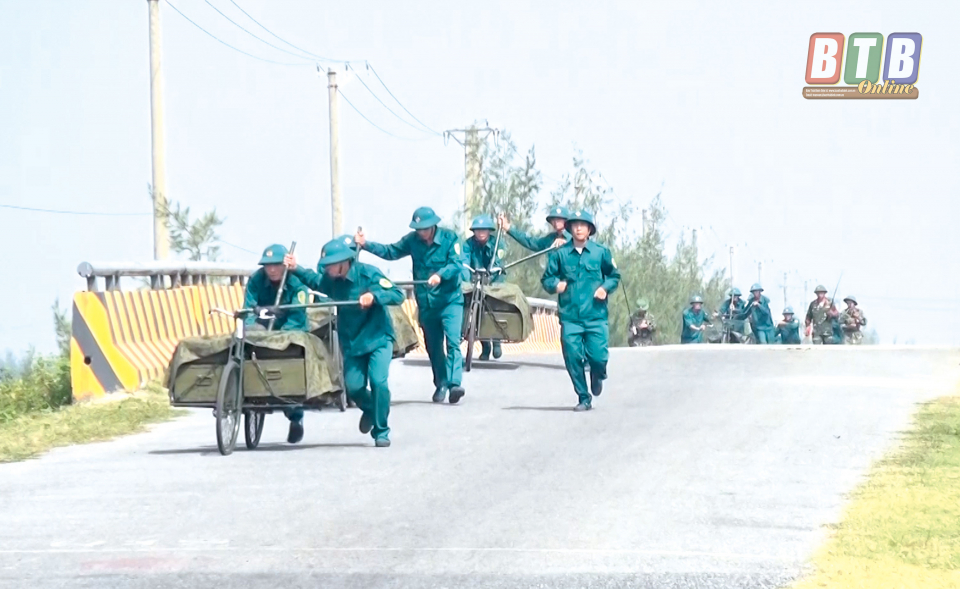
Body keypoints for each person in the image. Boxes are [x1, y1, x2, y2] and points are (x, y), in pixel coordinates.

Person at [283, 237, 405, 448]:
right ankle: (371, 408)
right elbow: (314, 281)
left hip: (377, 338)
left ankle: (381, 431)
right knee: (353, 387)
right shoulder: (330, 281)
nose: (327, 269)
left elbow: (397, 294)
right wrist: (296, 268)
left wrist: (374, 296)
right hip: (352, 342)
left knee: (378, 382)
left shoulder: (367, 273)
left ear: (344, 262)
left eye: (330, 265)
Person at [355, 206, 466, 404]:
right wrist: (365, 245)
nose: (421, 232)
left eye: (424, 228)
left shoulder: (450, 238)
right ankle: (441, 383)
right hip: (426, 304)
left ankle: (454, 384)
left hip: (450, 301)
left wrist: (440, 275)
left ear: (433, 226)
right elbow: (390, 251)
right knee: (433, 347)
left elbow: (456, 264)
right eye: (418, 229)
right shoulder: (412, 241)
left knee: (453, 342)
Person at [541, 210, 620, 412]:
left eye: (583, 225)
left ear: (590, 229)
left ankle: (598, 374)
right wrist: (555, 285)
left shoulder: (601, 252)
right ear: (570, 229)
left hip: (596, 316)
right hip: (571, 317)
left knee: (599, 357)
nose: (578, 229)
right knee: (573, 357)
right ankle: (584, 397)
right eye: (575, 225)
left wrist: (605, 288)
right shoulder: (560, 254)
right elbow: (547, 279)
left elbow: (614, 276)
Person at [243, 243, 311, 444]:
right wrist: (252, 330)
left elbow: (297, 316)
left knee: (288, 371)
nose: (271, 269)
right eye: (267, 265)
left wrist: (279, 337)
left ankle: (295, 417)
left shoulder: (297, 283)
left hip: (291, 331)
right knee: (245, 341)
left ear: (285, 265)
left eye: (276, 265)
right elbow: (248, 310)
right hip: (263, 330)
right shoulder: (256, 280)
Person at [461, 214, 506, 361]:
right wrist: (466, 281)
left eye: (484, 230)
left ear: (489, 231)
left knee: (495, 307)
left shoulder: (498, 243)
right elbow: (464, 262)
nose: (480, 233)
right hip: (474, 279)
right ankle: (485, 346)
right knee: (473, 308)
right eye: (477, 230)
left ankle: (497, 341)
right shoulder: (467, 244)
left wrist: (492, 275)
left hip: (495, 280)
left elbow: (498, 262)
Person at [498, 205, 570, 253]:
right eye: (553, 219)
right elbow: (531, 242)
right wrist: (508, 228)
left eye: (559, 219)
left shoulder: (573, 237)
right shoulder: (550, 239)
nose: (556, 222)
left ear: (566, 220)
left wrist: (566, 243)